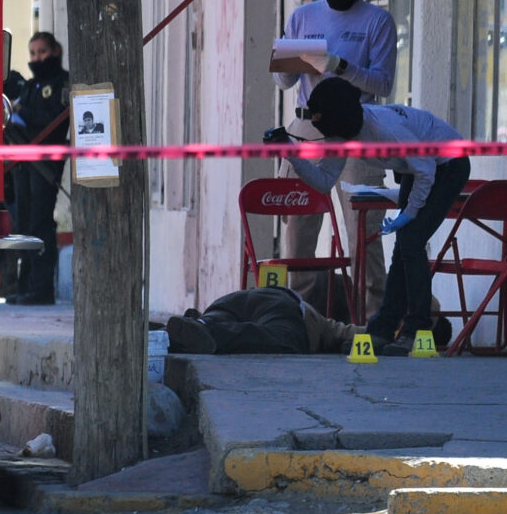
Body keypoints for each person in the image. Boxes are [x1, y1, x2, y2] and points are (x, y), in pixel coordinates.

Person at [283, 77, 470, 356]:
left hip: (448, 162)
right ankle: (383, 328)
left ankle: (417, 328)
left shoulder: (386, 128)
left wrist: (407, 215)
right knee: (403, 247)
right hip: (416, 168)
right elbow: (324, 180)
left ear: (342, 123)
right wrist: (292, 154)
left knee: (412, 241)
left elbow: (426, 171)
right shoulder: (341, 132)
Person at [272, 0, 397, 320]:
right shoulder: (303, 16)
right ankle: (299, 319)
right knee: (299, 230)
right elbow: (282, 79)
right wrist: (294, 57)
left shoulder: (376, 21)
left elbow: (384, 83)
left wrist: (340, 66)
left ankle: (374, 317)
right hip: (308, 125)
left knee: (364, 230)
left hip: (358, 127)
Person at [167, 286, 450, 355]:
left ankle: (194, 327)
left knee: (215, 327)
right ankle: (208, 328)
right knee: (285, 343)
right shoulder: (381, 332)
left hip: (245, 301)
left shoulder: (383, 322)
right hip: (290, 315)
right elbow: (425, 304)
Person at [1, 32, 70, 305]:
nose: (36, 58)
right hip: (23, 164)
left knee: (40, 223)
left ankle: (41, 289)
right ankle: (25, 286)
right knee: (24, 225)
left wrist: (23, 117)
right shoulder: (30, 87)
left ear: (54, 51)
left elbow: (52, 119)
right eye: (32, 53)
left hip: (45, 163)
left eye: (41, 52)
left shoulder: (61, 84)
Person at [167, 286, 362, 354]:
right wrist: (385, 335)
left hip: (236, 300)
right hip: (280, 308)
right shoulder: (326, 326)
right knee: (274, 340)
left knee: (215, 318)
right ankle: (208, 331)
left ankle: (197, 325)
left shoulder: (317, 317)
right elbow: (355, 334)